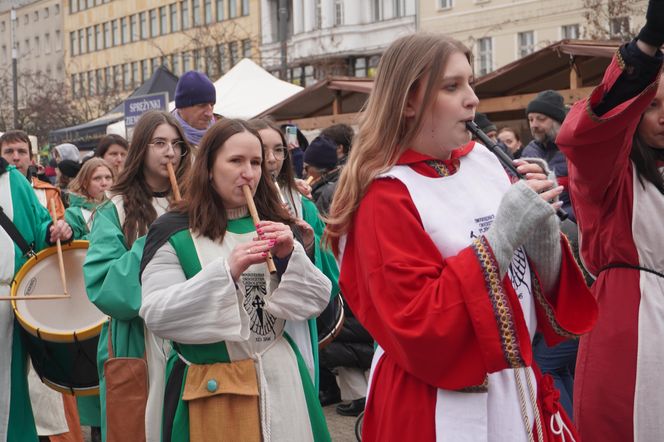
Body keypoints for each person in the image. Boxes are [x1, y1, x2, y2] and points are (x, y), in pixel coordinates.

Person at [324, 32, 598, 441]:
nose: (472, 99)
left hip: (513, 387)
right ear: (408, 101)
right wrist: (503, 236)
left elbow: (532, 296)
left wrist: (542, 233)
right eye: (452, 87)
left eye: (470, 83)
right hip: (438, 403)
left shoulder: (484, 161)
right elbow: (417, 325)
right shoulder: (383, 196)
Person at [138, 118, 331, 441]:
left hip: (281, 380)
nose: (249, 173)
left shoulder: (279, 225)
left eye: (255, 162)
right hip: (210, 388)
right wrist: (225, 272)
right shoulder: (173, 231)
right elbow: (158, 313)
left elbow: (315, 303)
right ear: (209, 168)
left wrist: (291, 257)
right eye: (236, 161)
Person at [556, 2, 664, 440]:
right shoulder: (610, 175)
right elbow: (585, 135)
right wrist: (646, 49)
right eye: (653, 105)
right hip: (632, 330)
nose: (663, 116)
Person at [83, 110, 191, 442]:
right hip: (139, 338)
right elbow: (104, 287)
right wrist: (157, 234)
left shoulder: (197, 202)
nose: (170, 152)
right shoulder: (113, 209)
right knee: (140, 428)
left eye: (175, 144)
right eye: (159, 143)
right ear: (141, 149)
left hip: (191, 332)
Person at [0, 157, 73, 442]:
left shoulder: (13, 181)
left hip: (6, 300)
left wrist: (58, 231)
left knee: (8, 391)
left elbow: (41, 227)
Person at [522, 90, 575, 221]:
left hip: (572, 226)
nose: (534, 125)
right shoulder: (528, 153)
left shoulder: (575, 150)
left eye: (541, 119)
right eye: (531, 119)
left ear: (558, 121)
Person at [0, 130, 65, 219]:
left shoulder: (48, 193)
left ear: (31, 159)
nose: (16, 158)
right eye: (9, 151)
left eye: (22, 151)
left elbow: (57, 228)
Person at [171, 70, 217, 146]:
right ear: (181, 107)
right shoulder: (164, 141)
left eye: (212, 105)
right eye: (202, 105)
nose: (209, 114)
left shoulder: (222, 135)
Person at [303, 136, 339, 216]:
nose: (304, 172)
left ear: (320, 168)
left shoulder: (324, 192)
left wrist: (303, 199)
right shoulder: (333, 179)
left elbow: (314, 222)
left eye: (306, 167)